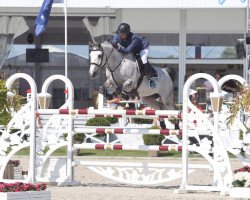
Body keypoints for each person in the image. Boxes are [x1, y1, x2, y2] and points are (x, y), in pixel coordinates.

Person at [111, 23, 157, 88]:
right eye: (120, 33)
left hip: (142, 47)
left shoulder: (135, 38)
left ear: (127, 33)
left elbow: (127, 51)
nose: (120, 35)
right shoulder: (118, 35)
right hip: (132, 49)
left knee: (143, 59)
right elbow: (114, 43)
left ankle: (151, 75)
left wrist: (118, 47)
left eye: (123, 34)